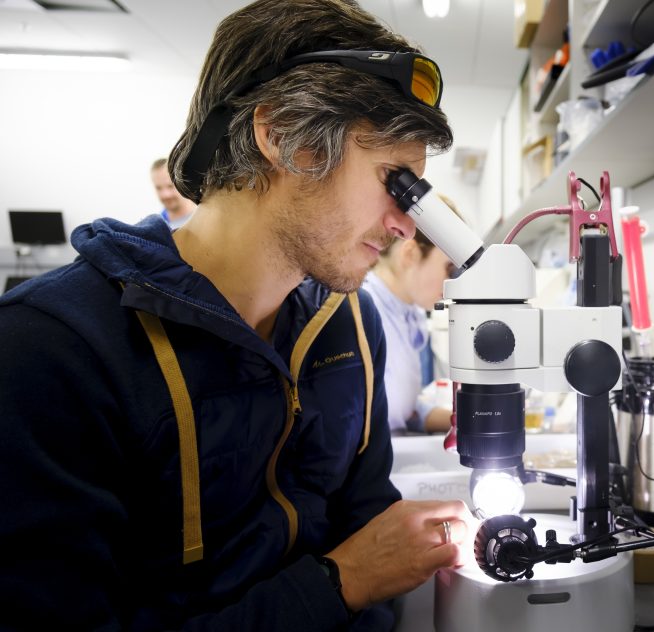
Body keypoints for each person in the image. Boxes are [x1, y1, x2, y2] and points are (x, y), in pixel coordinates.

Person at [0, 1, 476, 630]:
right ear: (282, 136)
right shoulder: (50, 352)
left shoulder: (350, 328)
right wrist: (342, 582)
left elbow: (373, 538)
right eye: (396, 181)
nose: (404, 224)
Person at [363, 198, 458, 435]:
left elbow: (402, 407)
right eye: (449, 269)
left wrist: (466, 419)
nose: (454, 284)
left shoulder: (412, 314)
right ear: (410, 254)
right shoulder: (362, 310)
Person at [151, 157, 196, 229]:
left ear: (183, 182)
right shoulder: (157, 229)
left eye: (170, 186)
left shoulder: (205, 217)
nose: (165, 195)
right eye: (158, 188)